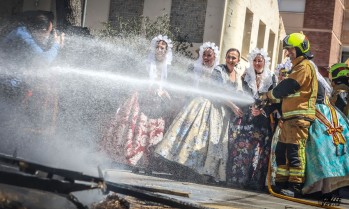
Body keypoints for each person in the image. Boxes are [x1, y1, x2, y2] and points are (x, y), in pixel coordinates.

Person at [154, 44, 242, 183]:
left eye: (209, 55)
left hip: (218, 109)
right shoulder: (211, 70)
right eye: (204, 55)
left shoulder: (222, 71)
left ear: (215, 56)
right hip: (201, 104)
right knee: (192, 136)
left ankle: (202, 171)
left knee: (207, 140)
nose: (206, 58)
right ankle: (183, 167)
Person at [100, 35, 173, 173]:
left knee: (153, 132)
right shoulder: (146, 63)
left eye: (162, 48)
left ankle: (146, 161)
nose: (159, 50)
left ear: (166, 51)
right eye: (157, 47)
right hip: (142, 99)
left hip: (158, 105)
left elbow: (169, 87)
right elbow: (139, 81)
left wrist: (165, 93)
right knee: (136, 127)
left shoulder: (169, 68)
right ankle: (129, 156)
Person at [261, 32, 318, 197]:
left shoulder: (305, 66)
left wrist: (268, 95)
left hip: (299, 118)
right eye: (287, 50)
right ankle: (281, 184)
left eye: (291, 50)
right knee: (282, 151)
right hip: (289, 119)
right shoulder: (297, 66)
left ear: (301, 49)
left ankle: (295, 187)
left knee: (294, 152)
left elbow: (289, 86)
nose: (288, 53)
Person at [227, 48, 276, 190]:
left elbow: (275, 101)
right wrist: (250, 109)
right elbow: (241, 97)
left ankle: (255, 182)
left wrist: (262, 110)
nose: (257, 63)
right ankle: (238, 179)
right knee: (242, 148)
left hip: (263, 121)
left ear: (265, 62)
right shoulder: (244, 77)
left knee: (259, 151)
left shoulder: (271, 78)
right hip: (247, 120)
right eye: (255, 60)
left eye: (260, 60)